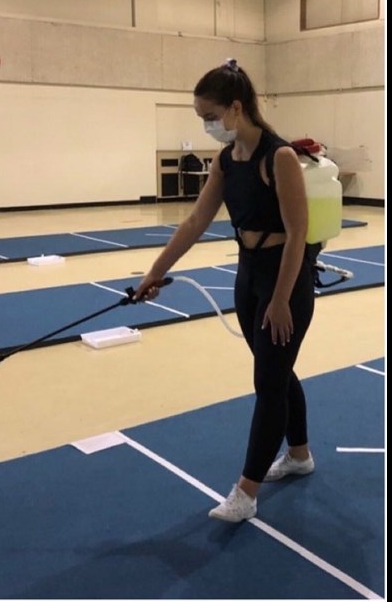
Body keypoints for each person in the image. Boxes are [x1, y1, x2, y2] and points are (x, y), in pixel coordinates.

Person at [135, 58, 316, 522]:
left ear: (236, 108)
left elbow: (298, 233)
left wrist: (280, 299)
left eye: (210, 117)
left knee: (268, 382)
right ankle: (299, 455)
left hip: (284, 278)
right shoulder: (225, 159)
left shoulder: (280, 157)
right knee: (274, 368)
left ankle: (246, 491)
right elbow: (196, 220)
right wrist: (154, 271)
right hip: (248, 273)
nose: (207, 126)